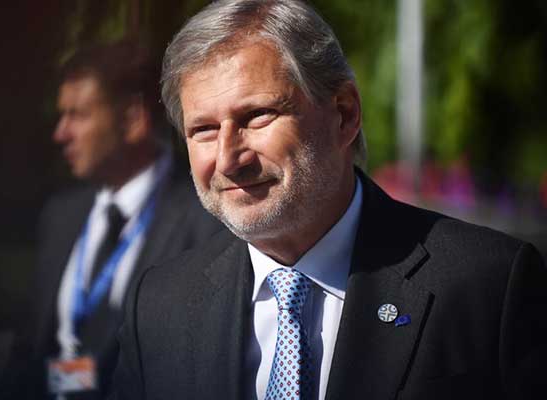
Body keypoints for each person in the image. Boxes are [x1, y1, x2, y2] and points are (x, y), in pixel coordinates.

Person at [110, 1, 547, 399]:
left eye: (257, 116)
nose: (228, 159)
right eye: (203, 130)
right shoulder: (158, 306)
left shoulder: (487, 286)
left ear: (344, 114)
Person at [1, 41, 222, 400]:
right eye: (62, 115)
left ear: (133, 118)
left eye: (78, 115)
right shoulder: (61, 215)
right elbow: (27, 354)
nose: (61, 133)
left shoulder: (205, 220)